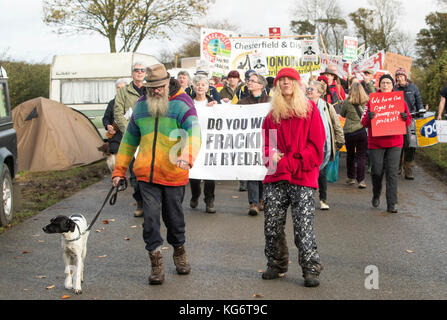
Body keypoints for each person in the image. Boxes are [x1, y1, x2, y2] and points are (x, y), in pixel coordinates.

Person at [112, 64, 201, 285]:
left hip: (174, 173)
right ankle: (156, 262)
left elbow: (195, 131)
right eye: (151, 88)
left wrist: (187, 156)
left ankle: (179, 250)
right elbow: (129, 140)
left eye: (159, 87)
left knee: (174, 220)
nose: (156, 91)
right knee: (150, 220)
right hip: (146, 176)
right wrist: (119, 171)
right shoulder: (141, 106)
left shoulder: (182, 102)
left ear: (166, 83)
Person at [261, 67, 325, 287]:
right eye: (281, 80)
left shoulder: (310, 111)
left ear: (297, 84)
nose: (285, 82)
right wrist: (270, 155)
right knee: (272, 224)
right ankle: (277, 264)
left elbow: (315, 148)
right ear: (277, 85)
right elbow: (268, 146)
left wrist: (289, 161)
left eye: (289, 79)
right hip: (276, 176)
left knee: (303, 226)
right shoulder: (272, 116)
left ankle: (310, 267)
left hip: (302, 177)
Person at [361, 74, 412, 213]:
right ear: (379, 84)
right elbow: (363, 121)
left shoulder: (399, 100)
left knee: (392, 173)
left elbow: (408, 121)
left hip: (395, 142)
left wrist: (405, 117)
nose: (385, 85)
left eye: (388, 83)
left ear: (392, 85)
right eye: (383, 83)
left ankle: (392, 203)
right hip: (376, 142)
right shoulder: (372, 101)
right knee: (377, 171)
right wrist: (369, 118)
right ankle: (376, 193)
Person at [114, 62, 146, 217]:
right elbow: (118, 111)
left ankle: (151, 204)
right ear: (132, 73)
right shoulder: (124, 92)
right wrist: (128, 130)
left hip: (148, 139)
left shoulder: (150, 90)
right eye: (136, 70)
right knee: (135, 174)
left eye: (142, 70)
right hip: (132, 139)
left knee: (150, 172)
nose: (139, 72)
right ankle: (140, 203)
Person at [307, 81, 344, 210]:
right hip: (307, 146)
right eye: (308, 88)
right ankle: (308, 198)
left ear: (320, 93)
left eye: (312, 89)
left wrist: (339, 141)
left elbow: (336, 125)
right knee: (308, 173)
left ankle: (323, 199)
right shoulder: (302, 106)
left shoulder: (327, 107)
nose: (309, 90)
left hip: (323, 146)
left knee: (321, 173)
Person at [237, 72, 271, 216]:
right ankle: (253, 203)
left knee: (265, 171)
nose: (248, 82)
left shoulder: (271, 101)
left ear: (261, 85)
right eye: (248, 80)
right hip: (249, 142)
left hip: (268, 141)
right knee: (251, 170)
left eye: (252, 81)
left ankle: (262, 199)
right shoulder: (242, 103)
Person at [188, 74, 218, 214]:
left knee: (209, 173)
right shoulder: (188, 103)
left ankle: (209, 200)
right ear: (193, 86)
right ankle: (195, 194)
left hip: (209, 142)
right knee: (194, 172)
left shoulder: (214, 103)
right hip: (192, 141)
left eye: (203, 84)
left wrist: (216, 108)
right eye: (197, 84)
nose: (200, 87)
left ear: (207, 87)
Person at [394, 67, 423, 180]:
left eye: (401, 76)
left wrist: (420, 110)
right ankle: (397, 167)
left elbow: (419, 101)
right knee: (398, 143)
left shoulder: (413, 87)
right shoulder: (394, 89)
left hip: (411, 119)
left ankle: (408, 168)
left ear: (405, 77)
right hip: (397, 120)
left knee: (411, 145)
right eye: (397, 76)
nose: (399, 78)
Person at [340, 82, 369, 188]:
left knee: (350, 155)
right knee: (361, 156)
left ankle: (350, 177)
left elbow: (342, 114)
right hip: (361, 131)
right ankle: (361, 180)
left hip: (349, 132)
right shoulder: (366, 101)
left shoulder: (347, 102)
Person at [101, 78, 128, 157]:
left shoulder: (132, 101)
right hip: (116, 138)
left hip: (129, 136)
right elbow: (106, 119)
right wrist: (108, 126)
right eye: (118, 87)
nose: (119, 90)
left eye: (122, 87)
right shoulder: (111, 103)